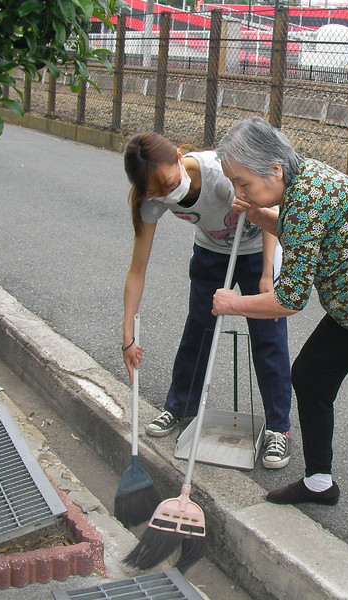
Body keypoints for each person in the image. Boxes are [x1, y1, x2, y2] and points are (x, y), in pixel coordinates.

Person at [212, 117, 348, 577]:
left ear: (274, 169)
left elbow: (288, 300)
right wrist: (256, 213)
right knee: (310, 379)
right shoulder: (297, 185)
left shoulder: (310, 196)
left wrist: (234, 304)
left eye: (244, 182)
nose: (240, 190)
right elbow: (302, 233)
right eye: (235, 182)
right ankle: (319, 481)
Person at [121, 131, 293, 469]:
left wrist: (266, 275)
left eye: (169, 184)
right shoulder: (150, 198)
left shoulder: (220, 174)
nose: (167, 195)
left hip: (258, 248)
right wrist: (127, 335)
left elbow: (270, 205)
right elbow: (137, 268)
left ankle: (278, 428)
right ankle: (180, 406)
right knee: (198, 330)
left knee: (268, 337)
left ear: (178, 157)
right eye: (157, 192)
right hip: (212, 253)